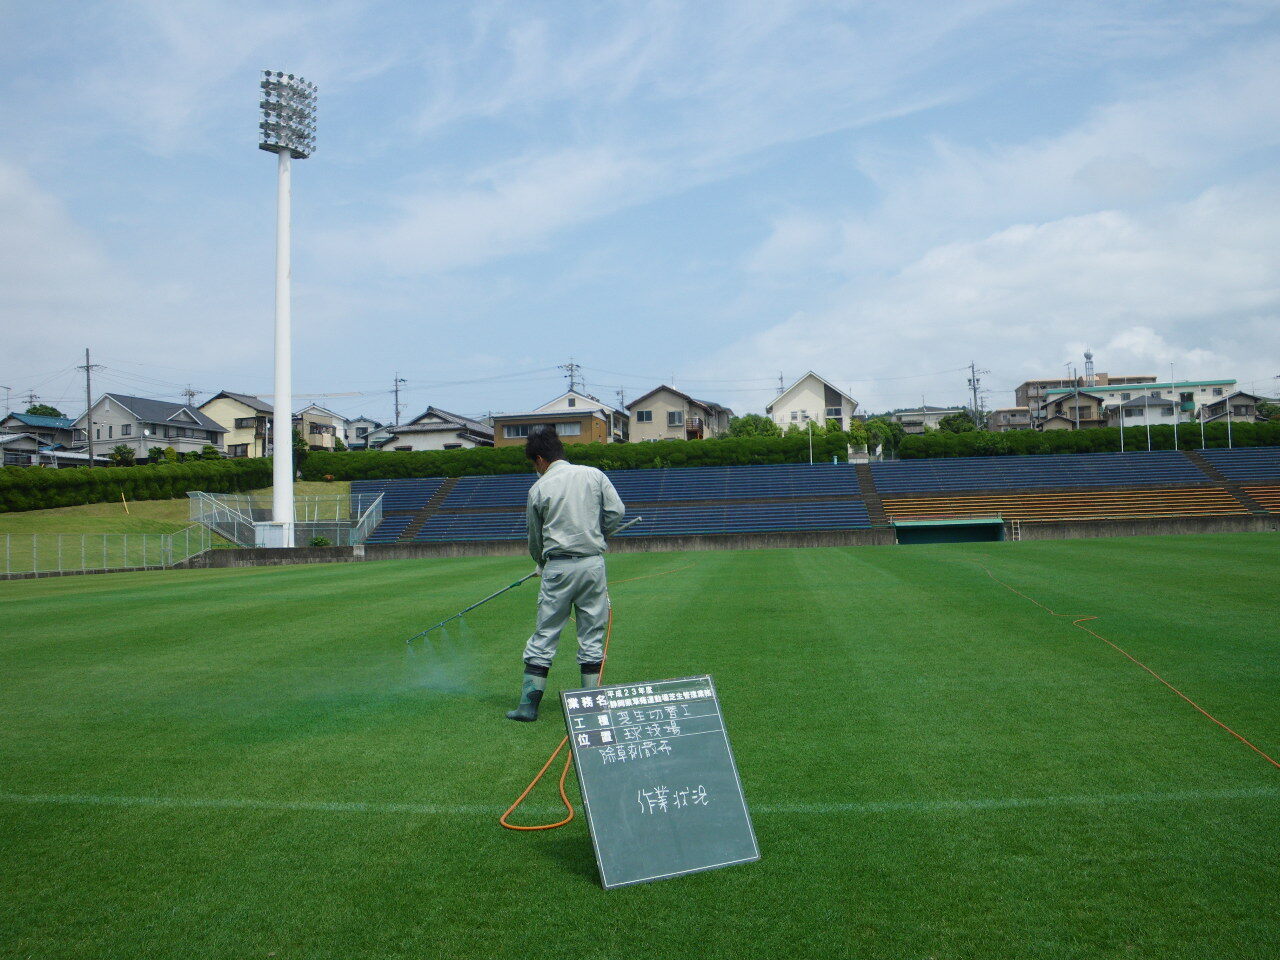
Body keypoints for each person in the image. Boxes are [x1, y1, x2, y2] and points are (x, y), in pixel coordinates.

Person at [506, 425, 626, 722]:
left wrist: (542, 563)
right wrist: (599, 532)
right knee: (591, 634)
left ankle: (528, 707)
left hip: (557, 567)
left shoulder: (539, 488)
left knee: (545, 634)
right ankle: (592, 705)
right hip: (592, 564)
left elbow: (535, 539)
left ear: (540, 460)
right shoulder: (593, 475)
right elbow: (617, 512)